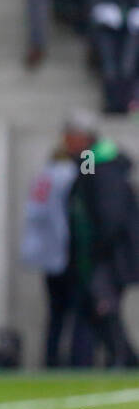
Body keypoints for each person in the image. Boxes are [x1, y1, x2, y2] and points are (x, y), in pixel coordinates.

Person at [63, 110, 139, 366]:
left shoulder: (102, 167)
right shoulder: (91, 164)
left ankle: (123, 358)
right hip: (101, 253)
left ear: (82, 138)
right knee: (97, 307)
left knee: (104, 306)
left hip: (110, 254)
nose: (65, 142)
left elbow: (111, 215)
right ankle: (122, 357)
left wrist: (97, 248)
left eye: (69, 136)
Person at [20, 141, 81, 366]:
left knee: (55, 314)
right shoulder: (67, 176)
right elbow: (60, 217)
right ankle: (76, 362)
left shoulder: (42, 176)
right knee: (75, 312)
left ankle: (51, 359)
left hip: (45, 255)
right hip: (62, 253)